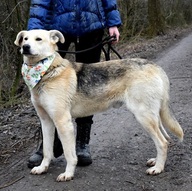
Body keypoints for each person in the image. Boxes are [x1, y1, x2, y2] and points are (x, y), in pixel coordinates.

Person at [27, 0, 122, 168]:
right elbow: (40, 2)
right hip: (56, 26)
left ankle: (82, 143)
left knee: (88, 88)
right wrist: (35, 29)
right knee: (49, 90)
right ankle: (49, 145)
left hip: (91, 25)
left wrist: (113, 22)